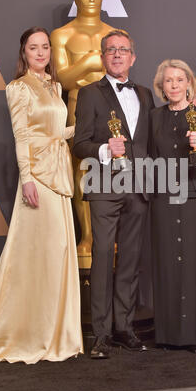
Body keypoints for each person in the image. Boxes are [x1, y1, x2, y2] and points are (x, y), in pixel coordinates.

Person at [0, 27, 83, 363]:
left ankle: (55, 329)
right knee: (38, 253)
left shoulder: (55, 86)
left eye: (45, 47)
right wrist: (27, 178)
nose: (40, 53)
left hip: (59, 174)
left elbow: (58, 132)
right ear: (23, 53)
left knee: (55, 253)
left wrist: (88, 127)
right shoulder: (18, 87)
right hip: (38, 176)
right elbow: (22, 135)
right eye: (33, 48)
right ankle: (29, 330)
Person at [73, 29, 154, 359]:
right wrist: (106, 148)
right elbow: (79, 144)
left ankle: (125, 328)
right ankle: (102, 334)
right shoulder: (89, 93)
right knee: (104, 257)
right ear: (103, 57)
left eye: (123, 50)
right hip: (105, 186)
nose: (117, 55)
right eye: (111, 50)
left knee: (131, 261)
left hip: (140, 188)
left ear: (133, 57)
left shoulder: (147, 94)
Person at [150, 59, 196, 352]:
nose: (175, 85)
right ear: (161, 86)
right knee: (168, 263)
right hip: (164, 197)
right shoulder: (154, 117)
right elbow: (150, 158)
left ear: (189, 83)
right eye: (169, 81)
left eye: (180, 79)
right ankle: (169, 335)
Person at [51, 0, 115, 266]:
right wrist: (89, 63)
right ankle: (87, 235)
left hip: (112, 110)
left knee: (115, 171)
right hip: (78, 109)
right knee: (82, 174)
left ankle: (109, 234)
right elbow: (62, 79)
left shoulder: (115, 33)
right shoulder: (62, 35)